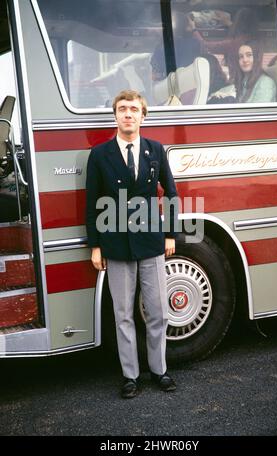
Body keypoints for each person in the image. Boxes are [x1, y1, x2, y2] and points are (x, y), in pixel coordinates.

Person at [86, 89, 178, 399]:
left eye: (134, 109)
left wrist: (169, 235)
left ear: (143, 116)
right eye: (123, 108)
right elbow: (93, 203)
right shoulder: (99, 155)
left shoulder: (155, 149)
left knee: (157, 312)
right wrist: (95, 245)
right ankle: (130, 376)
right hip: (116, 246)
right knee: (123, 313)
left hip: (151, 243)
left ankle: (159, 371)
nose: (128, 114)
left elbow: (173, 195)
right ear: (115, 115)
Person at [189, 7, 259, 83]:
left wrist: (194, 29)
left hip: (237, 82)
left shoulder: (233, 43)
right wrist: (229, 23)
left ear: (237, 22)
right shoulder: (256, 42)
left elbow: (206, 45)